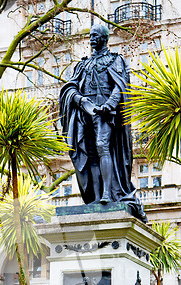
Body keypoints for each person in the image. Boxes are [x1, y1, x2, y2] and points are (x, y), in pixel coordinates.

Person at [59, 24, 147, 222]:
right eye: (90, 36)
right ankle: (96, 198)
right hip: (85, 112)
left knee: (102, 148)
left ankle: (108, 194)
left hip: (106, 113)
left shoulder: (115, 60)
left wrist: (109, 105)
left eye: (95, 36)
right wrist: (80, 100)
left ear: (104, 38)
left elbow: (121, 86)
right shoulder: (83, 64)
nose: (91, 39)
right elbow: (70, 87)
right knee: (89, 154)